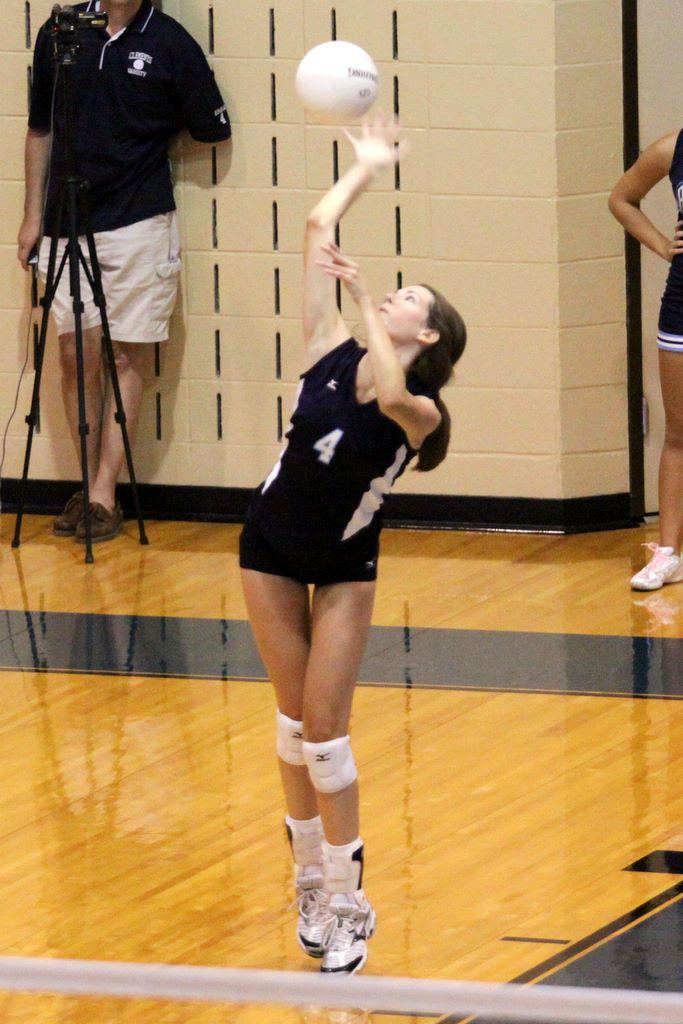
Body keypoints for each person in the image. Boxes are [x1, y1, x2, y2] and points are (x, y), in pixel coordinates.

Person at [239, 115, 466, 975]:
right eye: (391, 292)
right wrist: (363, 169)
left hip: (342, 568)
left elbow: (395, 391)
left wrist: (364, 290)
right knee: (292, 729)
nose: (392, 298)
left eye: (408, 299)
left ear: (427, 334)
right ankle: (306, 879)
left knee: (327, 739)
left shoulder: (423, 412)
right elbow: (314, 225)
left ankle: (348, 904)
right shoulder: (325, 349)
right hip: (267, 547)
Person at [17, 0, 231, 543]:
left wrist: (143, 143)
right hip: (66, 219)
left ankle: (103, 494)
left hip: (138, 219)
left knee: (123, 356)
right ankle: (85, 479)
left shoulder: (170, 42)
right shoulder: (61, 31)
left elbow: (210, 128)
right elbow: (40, 130)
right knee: (74, 353)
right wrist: (31, 216)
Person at [610, 132, 683, 590]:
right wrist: (661, 244)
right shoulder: (674, 148)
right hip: (681, 307)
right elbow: (621, 199)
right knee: (678, 433)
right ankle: (669, 554)